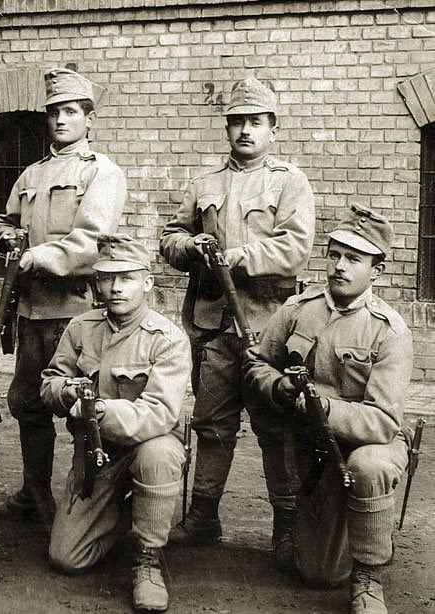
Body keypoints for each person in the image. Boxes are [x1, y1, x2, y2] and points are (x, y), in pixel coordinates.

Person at [159, 77, 315, 563]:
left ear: (273, 128)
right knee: (212, 424)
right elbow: (170, 237)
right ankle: (204, 515)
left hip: (269, 325)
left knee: (276, 428)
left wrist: (239, 255)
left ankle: (285, 528)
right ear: (227, 128)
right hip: (214, 326)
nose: (245, 131)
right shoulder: (205, 184)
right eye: (237, 122)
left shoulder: (290, 181)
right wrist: (191, 247)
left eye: (255, 122)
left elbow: (295, 247)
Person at [244, 206, 412, 614]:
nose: (339, 266)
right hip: (312, 448)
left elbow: (382, 421)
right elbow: (255, 363)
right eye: (335, 254)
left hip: (368, 444)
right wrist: (280, 386)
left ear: (378, 270)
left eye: (354, 258)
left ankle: (369, 576)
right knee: (318, 575)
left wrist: (321, 407)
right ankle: (299, 530)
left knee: (370, 466)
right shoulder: (299, 308)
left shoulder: (389, 330)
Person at [0, 67, 127, 524]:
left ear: (89, 118)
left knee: (81, 405)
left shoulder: (101, 172)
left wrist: (38, 256)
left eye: (71, 111)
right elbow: (5, 221)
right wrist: (7, 240)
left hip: (76, 309)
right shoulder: (32, 173)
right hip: (31, 309)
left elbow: (92, 242)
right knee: (27, 401)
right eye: (54, 113)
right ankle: (34, 493)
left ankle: (85, 500)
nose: (61, 120)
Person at [41, 234, 190, 612]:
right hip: (97, 452)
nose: (116, 287)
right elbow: (49, 382)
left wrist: (103, 411)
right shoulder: (81, 328)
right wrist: (66, 392)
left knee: (158, 454)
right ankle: (125, 512)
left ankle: (148, 560)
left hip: (148, 445)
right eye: (107, 278)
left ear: (147, 282)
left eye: (126, 277)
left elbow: (159, 412)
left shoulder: (167, 338)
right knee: (67, 558)